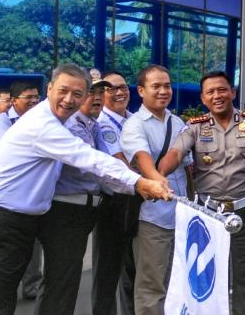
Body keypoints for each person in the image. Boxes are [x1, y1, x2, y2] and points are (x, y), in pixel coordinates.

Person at [0, 64, 172, 315]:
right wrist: (140, 183)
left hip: (22, 222)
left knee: (17, 298)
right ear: (49, 89)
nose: (69, 99)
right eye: (63, 91)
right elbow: (89, 158)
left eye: (78, 94)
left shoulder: (67, 122)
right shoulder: (44, 125)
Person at [159, 70, 245, 315]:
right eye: (210, 92)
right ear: (203, 98)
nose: (217, 95)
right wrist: (161, 173)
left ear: (232, 93)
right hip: (208, 214)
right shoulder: (194, 128)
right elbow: (176, 153)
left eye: (222, 90)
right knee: (209, 279)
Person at [34, 76, 120, 315]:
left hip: (83, 209)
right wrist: (139, 183)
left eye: (101, 93)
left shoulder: (91, 124)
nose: (97, 98)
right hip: (66, 211)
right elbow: (93, 165)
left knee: (66, 280)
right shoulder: (71, 126)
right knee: (60, 281)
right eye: (90, 93)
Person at [120, 65, 189, 315]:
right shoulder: (134, 125)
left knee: (176, 285)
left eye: (167, 86)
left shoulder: (177, 121)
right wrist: (157, 181)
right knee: (151, 287)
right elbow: (141, 157)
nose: (163, 91)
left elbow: (187, 167)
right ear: (141, 91)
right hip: (154, 219)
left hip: (182, 217)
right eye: (156, 86)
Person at [0, 81, 46, 301]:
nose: (34, 101)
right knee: (8, 250)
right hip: (5, 197)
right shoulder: (1, 122)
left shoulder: (41, 120)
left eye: (36, 97)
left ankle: (30, 285)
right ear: (13, 101)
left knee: (33, 245)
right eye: (28, 98)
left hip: (31, 197)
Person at [92, 70, 139, 315]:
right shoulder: (102, 123)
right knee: (107, 273)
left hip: (138, 201)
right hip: (113, 204)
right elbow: (120, 164)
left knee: (133, 270)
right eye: (111, 89)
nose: (119, 92)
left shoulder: (134, 120)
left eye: (123, 87)